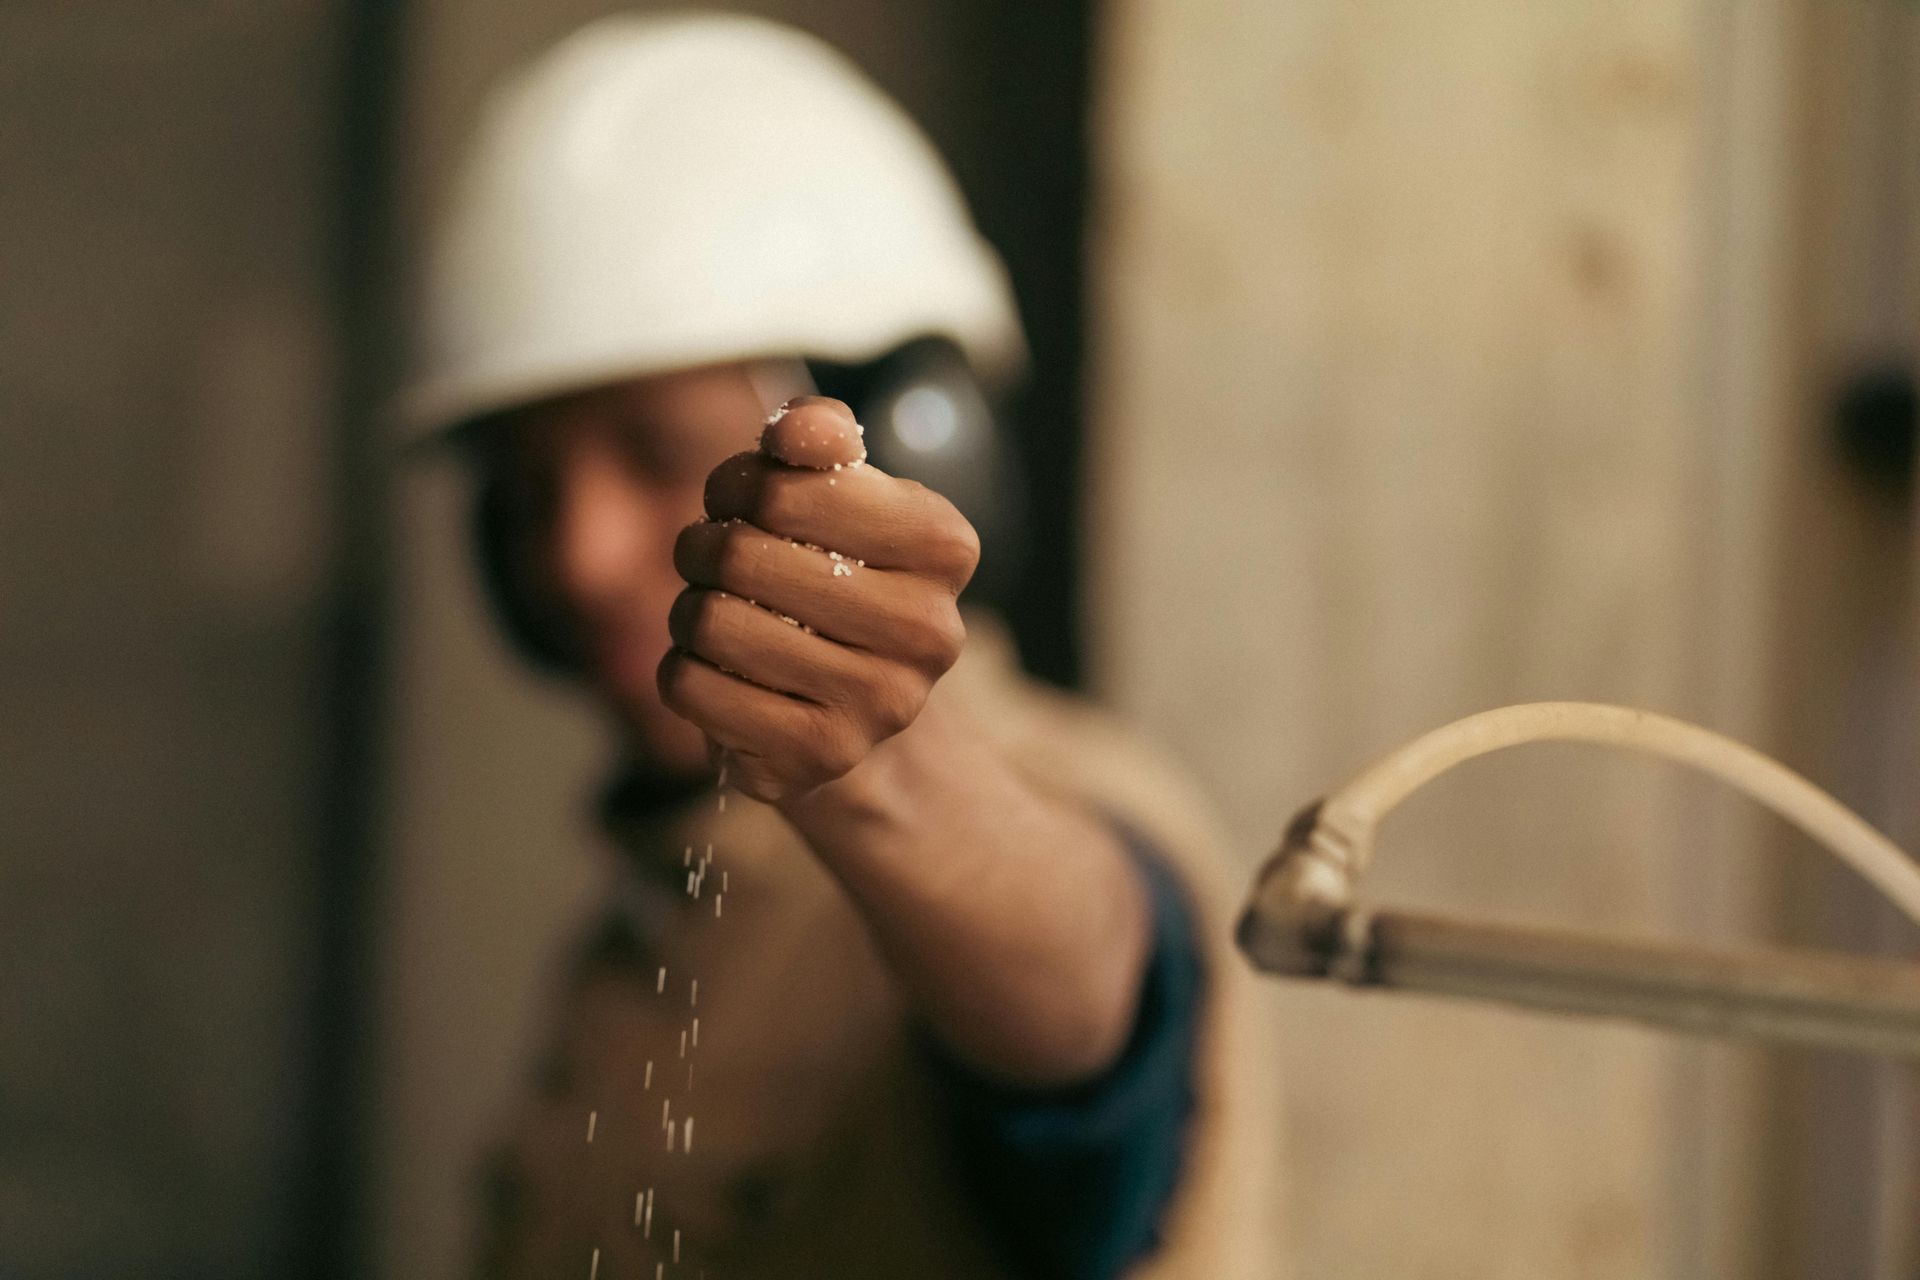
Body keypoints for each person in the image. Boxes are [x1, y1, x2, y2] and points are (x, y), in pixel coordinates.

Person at [400, 12, 1279, 1279]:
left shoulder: (1054, 810)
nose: (577, 553)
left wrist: (877, 769)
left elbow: (1094, 983)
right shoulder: (658, 898)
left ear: (919, 444)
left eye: (652, 451)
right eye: (527, 488)